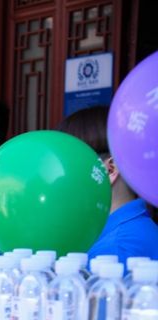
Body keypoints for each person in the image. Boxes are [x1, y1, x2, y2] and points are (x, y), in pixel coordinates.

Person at [55, 105, 158, 262]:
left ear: (110, 170)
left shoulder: (115, 251)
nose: (60, 176)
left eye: (68, 164)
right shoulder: (131, 229)